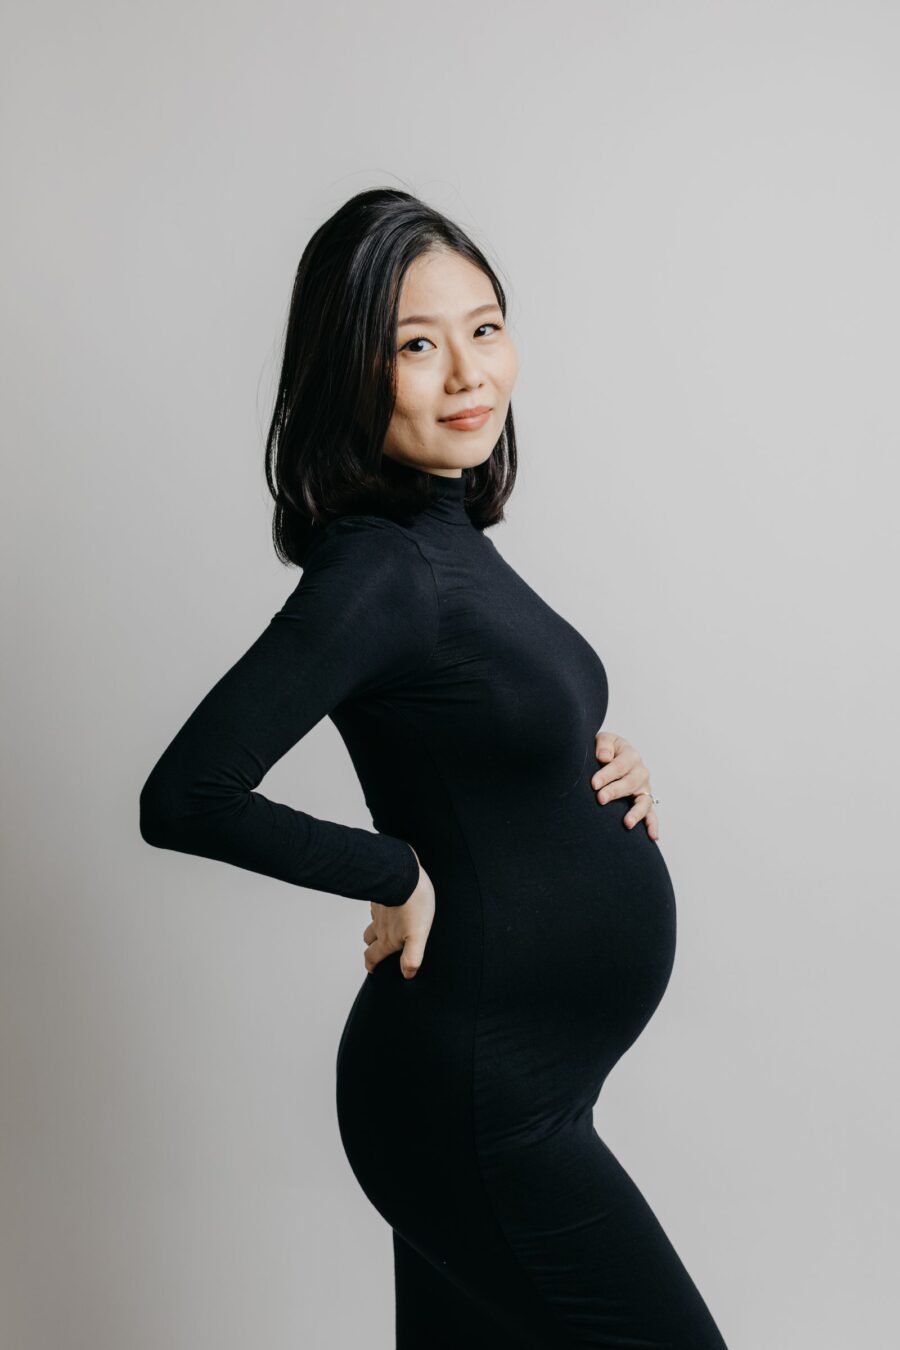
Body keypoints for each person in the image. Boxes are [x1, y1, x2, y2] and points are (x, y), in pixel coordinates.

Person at [139, 188, 729, 1348]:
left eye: (486, 327)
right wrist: (395, 868)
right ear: (349, 373)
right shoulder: (383, 570)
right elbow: (186, 794)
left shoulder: (446, 537)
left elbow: (473, 732)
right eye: (416, 344)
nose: (468, 372)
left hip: (509, 1093)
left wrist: (593, 762)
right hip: (475, 1106)